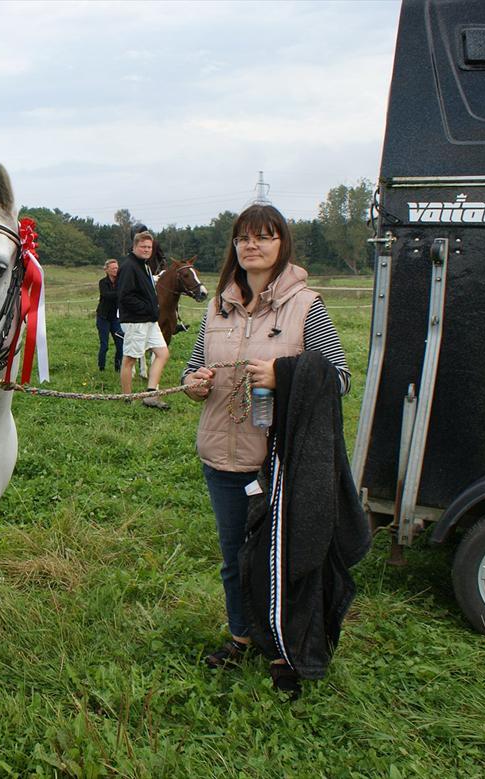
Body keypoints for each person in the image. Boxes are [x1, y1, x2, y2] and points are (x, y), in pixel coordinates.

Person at [180, 203, 351, 697]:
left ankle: (283, 649)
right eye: (243, 238)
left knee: (280, 559)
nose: (251, 245)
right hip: (221, 455)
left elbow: (338, 378)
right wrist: (194, 382)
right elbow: (192, 368)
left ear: (282, 245)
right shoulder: (217, 306)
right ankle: (240, 636)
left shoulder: (306, 305)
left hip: (278, 460)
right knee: (235, 557)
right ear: (234, 247)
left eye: (264, 237)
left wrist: (284, 375)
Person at [118, 230, 170, 409]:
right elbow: (125, 296)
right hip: (135, 321)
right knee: (130, 359)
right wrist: (147, 308)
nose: (147, 249)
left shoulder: (145, 266)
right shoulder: (128, 266)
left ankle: (150, 395)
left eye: (149, 247)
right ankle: (127, 399)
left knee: (162, 353)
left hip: (150, 320)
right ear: (134, 247)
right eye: (143, 246)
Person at [95, 259, 124, 371]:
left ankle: (118, 367)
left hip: (116, 318)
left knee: (120, 344)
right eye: (113, 268)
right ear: (106, 270)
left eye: (117, 268)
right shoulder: (103, 282)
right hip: (103, 317)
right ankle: (101, 367)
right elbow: (106, 295)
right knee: (104, 345)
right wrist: (121, 293)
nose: (115, 270)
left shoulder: (121, 282)